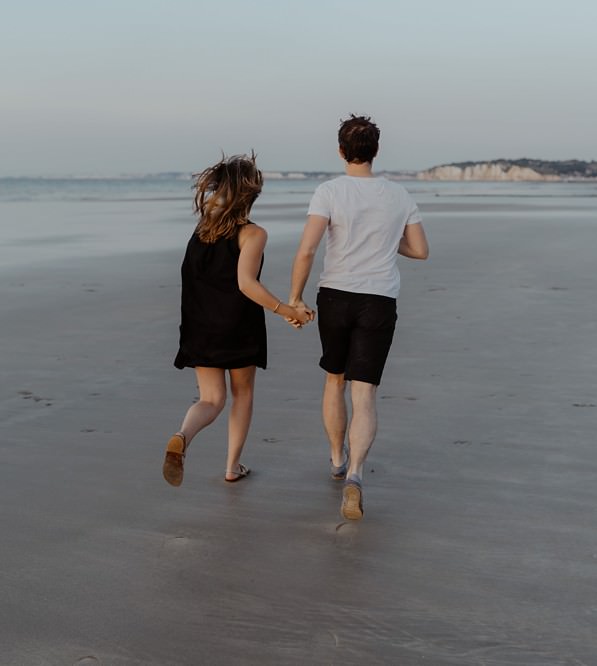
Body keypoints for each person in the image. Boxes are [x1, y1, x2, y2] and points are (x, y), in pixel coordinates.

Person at [288, 115, 429, 520]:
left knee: (334, 380)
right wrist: (386, 242)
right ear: (376, 151)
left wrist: (295, 298)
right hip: (379, 299)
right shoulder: (399, 195)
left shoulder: (329, 192)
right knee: (364, 391)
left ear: (340, 151)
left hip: (335, 295)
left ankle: (335, 458)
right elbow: (420, 250)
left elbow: (307, 250)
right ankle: (355, 474)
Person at [164, 153, 312, 487]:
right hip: (237, 326)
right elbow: (246, 284)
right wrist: (287, 311)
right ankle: (232, 466)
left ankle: (182, 435)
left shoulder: (202, 229)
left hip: (200, 326)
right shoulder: (253, 234)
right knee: (241, 395)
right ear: (251, 196)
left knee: (210, 399)